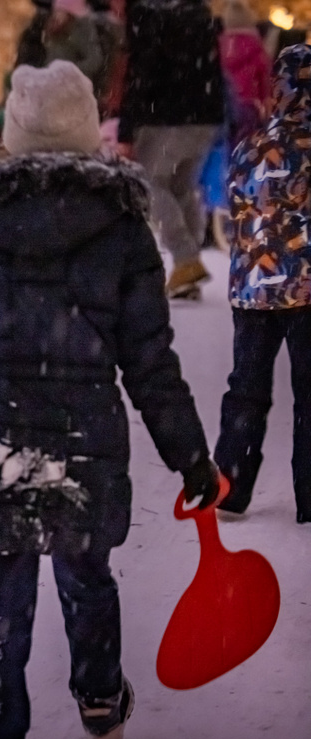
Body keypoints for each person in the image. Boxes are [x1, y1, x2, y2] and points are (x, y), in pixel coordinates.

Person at [0, 61, 219, 739]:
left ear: (15, 133)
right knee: (86, 577)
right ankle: (101, 708)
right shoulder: (119, 229)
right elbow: (149, 361)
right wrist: (191, 456)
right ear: (87, 132)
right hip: (84, 430)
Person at [215, 45, 311, 524]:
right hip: (308, 291)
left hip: (254, 287)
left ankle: (230, 485)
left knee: (246, 388)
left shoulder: (250, 146)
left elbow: (236, 205)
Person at [118, 0, 224, 299]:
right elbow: (212, 69)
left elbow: (140, 74)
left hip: (163, 117)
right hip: (203, 114)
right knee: (180, 188)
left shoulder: (148, 19)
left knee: (154, 185)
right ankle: (188, 272)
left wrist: (127, 126)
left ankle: (186, 260)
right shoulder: (199, 16)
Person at [220, 0, 271, 148]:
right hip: (250, 105)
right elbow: (265, 78)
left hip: (226, 104)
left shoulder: (220, 44)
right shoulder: (256, 46)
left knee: (226, 146)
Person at [42, 0, 102, 84]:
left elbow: (94, 60)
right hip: (51, 80)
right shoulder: (52, 25)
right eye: (56, 10)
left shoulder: (82, 28)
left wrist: (70, 71)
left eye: (61, 11)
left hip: (72, 84)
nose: (56, 14)